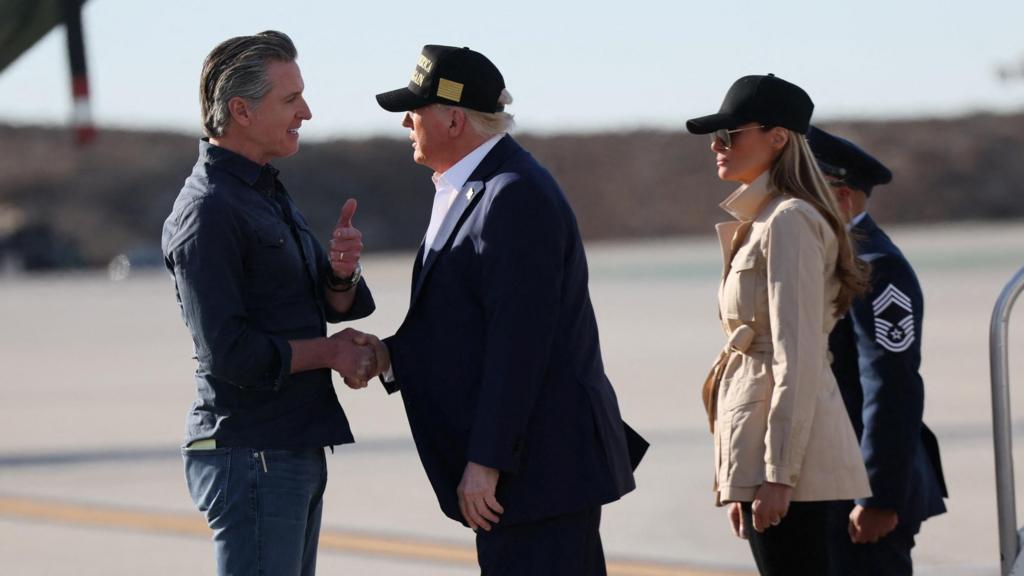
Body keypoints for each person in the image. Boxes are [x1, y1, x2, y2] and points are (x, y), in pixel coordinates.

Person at [359, 44, 648, 575]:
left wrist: (486, 462)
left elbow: (521, 344)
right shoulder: (477, 187)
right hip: (532, 470)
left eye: (415, 109)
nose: (405, 121)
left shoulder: (512, 195)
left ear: (452, 119)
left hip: (539, 471)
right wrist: (387, 356)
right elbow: (465, 325)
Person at [161, 30, 378, 576]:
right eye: (290, 99)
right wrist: (329, 354)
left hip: (288, 447)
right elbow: (230, 353)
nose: (305, 111)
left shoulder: (261, 191)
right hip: (252, 454)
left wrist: (340, 274)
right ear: (240, 110)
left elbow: (316, 305)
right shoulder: (208, 212)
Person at [686, 74, 872, 575]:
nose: (717, 148)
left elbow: (798, 356)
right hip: (765, 449)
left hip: (790, 458)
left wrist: (777, 476)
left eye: (730, 134)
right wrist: (742, 475)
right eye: (714, 137)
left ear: (778, 137)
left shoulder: (789, 220)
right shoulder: (765, 218)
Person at [807, 125, 948, 575]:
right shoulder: (824, 257)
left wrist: (877, 497)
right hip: (832, 482)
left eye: (807, 188)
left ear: (843, 196)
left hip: (866, 493)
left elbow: (891, 385)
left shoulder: (875, 267)